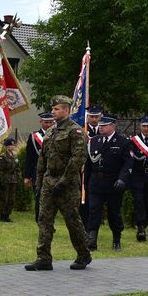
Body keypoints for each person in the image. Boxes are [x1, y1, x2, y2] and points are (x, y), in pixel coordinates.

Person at [26, 96, 92, 272]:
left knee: (72, 220)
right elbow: (43, 158)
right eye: (53, 109)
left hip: (67, 184)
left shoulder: (75, 131)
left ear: (66, 110)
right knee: (44, 220)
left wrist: (63, 182)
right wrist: (39, 181)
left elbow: (78, 158)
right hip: (49, 182)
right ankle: (43, 258)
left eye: (56, 109)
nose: (53, 112)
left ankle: (83, 254)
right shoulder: (50, 131)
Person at [85, 116, 133, 251]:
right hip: (96, 183)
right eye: (100, 125)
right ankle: (92, 238)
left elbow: (128, 163)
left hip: (114, 184)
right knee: (93, 211)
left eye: (104, 125)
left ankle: (116, 239)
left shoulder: (123, 142)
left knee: (114, 213)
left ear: (113, 126)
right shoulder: (94, 141)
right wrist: (86, 183)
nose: (101, 128)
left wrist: (122, 179)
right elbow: (88, 164)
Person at [23, 112, 54, 222]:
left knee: (52, 197)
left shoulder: (58, 135)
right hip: (38, 172)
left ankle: (50, 219)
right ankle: (40, 219)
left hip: (53, 171)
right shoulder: (34, 137)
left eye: (51, 122)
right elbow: (29, 157)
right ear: (41, 122)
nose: (48, 125)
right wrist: (27, 176)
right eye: (46, 122)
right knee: (39, 196)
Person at [0, 138, 19, 222]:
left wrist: (18, 177)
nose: (12, 147)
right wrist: (0, 181)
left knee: (11, 199)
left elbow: (17, 168)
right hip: (5, 180)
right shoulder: (3, 157)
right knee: (4, 199)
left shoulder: (15, 156)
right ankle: (3, 216)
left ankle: (8, 215)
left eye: (13, 145)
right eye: (10, 145)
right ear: (7, 146)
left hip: (13, 180)